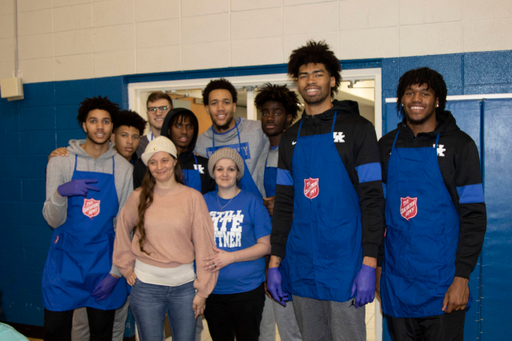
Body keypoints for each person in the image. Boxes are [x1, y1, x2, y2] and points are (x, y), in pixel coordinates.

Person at [266, 41, 385, 341]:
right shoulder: (290, 136)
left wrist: (369, 263)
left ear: (332, 80)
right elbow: (283, 204)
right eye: (304, 75)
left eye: (318, 73)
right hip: (302, 260)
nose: (310, 81)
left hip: (345, 261)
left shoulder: (359, 128)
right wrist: (275, 262)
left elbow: (373, 200)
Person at [377, 67, 487, 341]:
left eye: (425, 93)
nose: (417, 99)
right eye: (410, 93)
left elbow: (474, 217)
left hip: (443, 283)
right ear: (401, 100)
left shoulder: (460, 145)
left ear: (437, 100)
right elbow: (375, 213)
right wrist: (377, 266)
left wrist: (462, 277)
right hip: (397, 281)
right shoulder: (385, 146)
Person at [42, 96, 133, 341]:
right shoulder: (60, 162)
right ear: (84, 125)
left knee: (101, 334)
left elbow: (124, 227)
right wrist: (62, 193)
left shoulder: (123, 169)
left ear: (112, 127)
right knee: (54, 331)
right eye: (93, 121)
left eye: (105, 121)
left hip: (101, 263)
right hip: (64, 262)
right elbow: (52, 219)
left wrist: (115, 272)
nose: (100, 127)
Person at [113, 136, 218, 341]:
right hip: (145, 287)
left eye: (164, 160)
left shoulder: (192, 198)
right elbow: (122, 228)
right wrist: (125, 266)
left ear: (174, 161)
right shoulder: (138, 196)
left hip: (185, 288)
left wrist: (203, 290)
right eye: (153, 162)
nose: (159, 167)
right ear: (148, 166)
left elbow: (205, 245)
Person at [201, 148, 272, 341]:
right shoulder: (202, 202)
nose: (225, 174)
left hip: (247, 289)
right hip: (213, 289)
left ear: (238, 173)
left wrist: (230, 257)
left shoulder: (253, 202)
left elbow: (266, 245)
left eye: (231, 169)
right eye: (220, 169)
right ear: (212, 172)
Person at [253, 83, 302, 341]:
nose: (270, 117)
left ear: (290, 118)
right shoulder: (262, 155)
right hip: (264, 248)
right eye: (265, 112)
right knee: (264, 324)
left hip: (291, 250)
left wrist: (286, 207)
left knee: (291, 326)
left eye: (277, 112)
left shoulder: (297, 152)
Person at [195, 78, 269, 196]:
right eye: (214, 103)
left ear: (234, 106)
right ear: (207, 109)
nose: (220, 108)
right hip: (219, 210)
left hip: (254, 209)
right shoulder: (199, 144)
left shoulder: (258, 130)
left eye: (226, 102)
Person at [134, 108, 215, 194]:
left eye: (189, 126)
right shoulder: (145, 164)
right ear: (168, 130)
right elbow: (141, 201)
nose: (184, 131)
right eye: (178, 126)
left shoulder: (206, 165)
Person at [136, 91, 173, 158]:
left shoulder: (180, 143)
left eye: (163, 108)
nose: (158, 113)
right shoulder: (138, 145)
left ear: (172, 112)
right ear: (147, 114)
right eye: (152, 109)